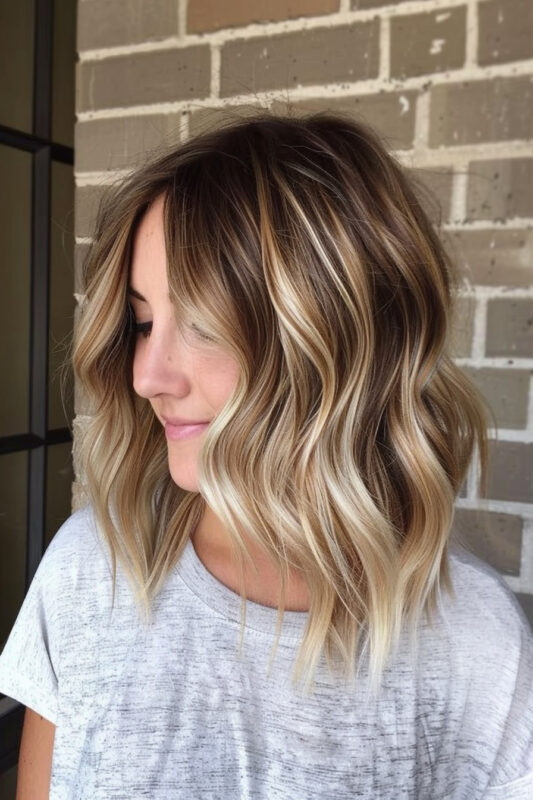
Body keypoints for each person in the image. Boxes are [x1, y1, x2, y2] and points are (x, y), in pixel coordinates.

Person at [0, 111, 532, 799]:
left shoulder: (477, 650)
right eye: (143, 322)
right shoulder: (89, 572)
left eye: (202, 323)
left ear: (337, 340)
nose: (145, 375)